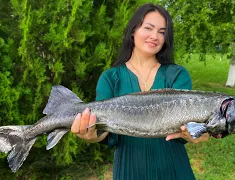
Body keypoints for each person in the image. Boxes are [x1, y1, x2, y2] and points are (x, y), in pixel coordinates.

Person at [71, 3, 209, 180]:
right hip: (129, 170)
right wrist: (91, 136)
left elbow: (190, 126)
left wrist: (197, 134)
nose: (155, 36)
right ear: (133, 30)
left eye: (162, 32)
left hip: (173, 169)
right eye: (148, 28)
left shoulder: (177, 75)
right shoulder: (110, 78)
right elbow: (104, 132)